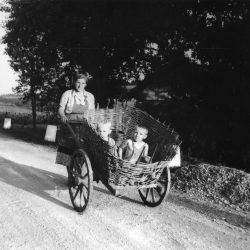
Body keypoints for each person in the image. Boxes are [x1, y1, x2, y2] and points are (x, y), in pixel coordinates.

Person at [56, 73, 95, 167]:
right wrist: (62, 116)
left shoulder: (90, 96)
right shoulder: (67, 94)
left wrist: (92, 123)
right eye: (78, 82)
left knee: (82, 148)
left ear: (86, 84)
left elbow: (92, 113)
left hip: (84, 126)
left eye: (83, 83)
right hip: (69, 124)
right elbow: (61, 108)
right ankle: (70, 173)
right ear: (74, 82)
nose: (80, 85)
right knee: (68, 149)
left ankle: (80, 169)